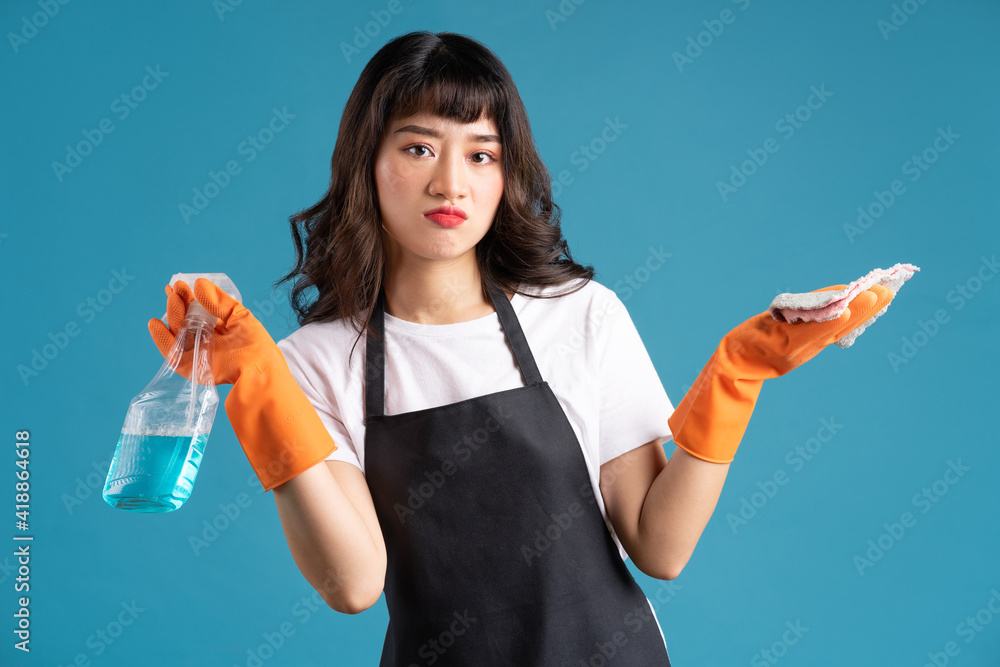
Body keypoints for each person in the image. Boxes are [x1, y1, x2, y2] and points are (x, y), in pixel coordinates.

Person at [148, 30, 894, 666]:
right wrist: (257, 388)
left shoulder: (580, 316)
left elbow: (660, 546)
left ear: (506, 175)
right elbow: (353, 582)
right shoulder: (312, 362)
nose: (451, 181)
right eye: (418, 146)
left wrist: (740, 373)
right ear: (367, 165)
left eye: (481, 154)